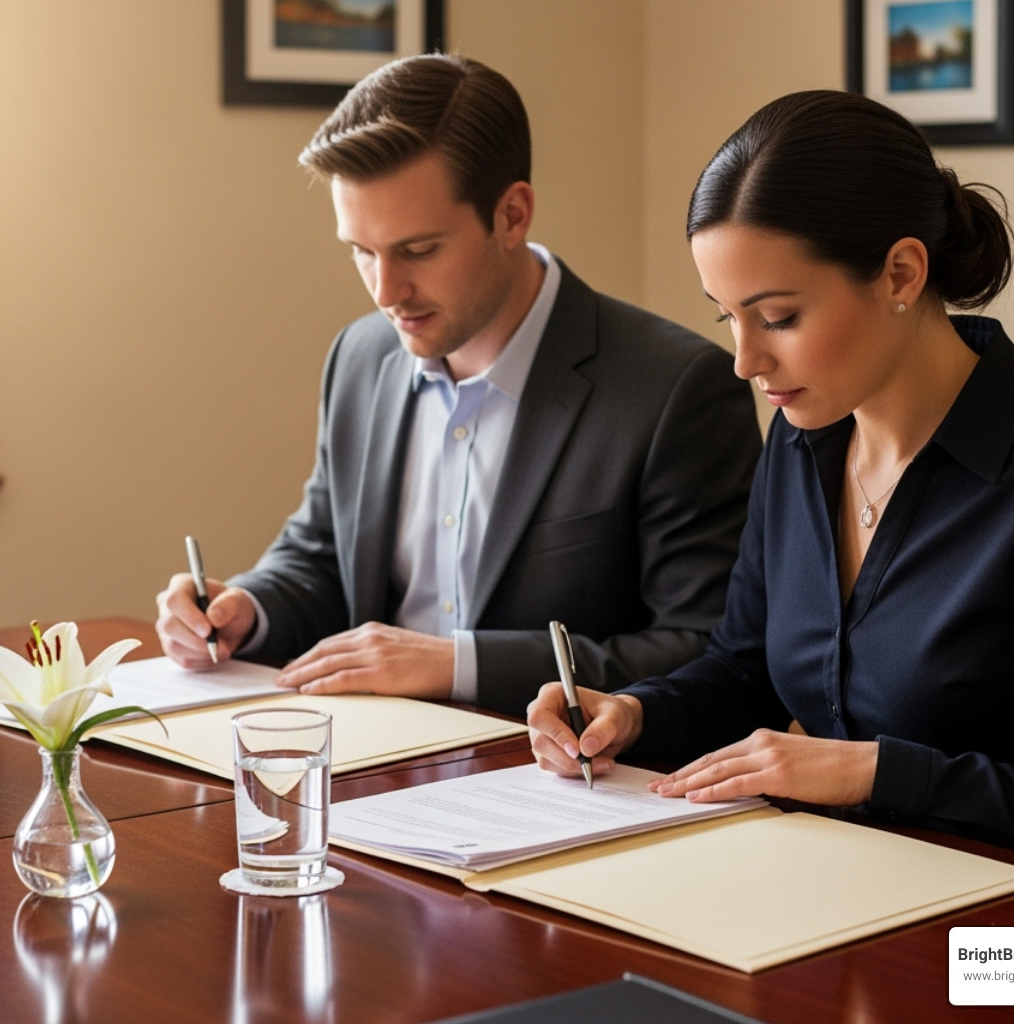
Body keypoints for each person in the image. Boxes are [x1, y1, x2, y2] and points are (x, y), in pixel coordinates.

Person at [527, 90, 1014, 889]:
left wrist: (876, 774)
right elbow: (747, 668)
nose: (745, 363)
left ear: (901, 272)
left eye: (777, 317)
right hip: (837, 903)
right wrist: (636, 714)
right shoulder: (800, 442)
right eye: (727, 320)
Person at [156, 54, 762, 717]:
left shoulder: (675, 389)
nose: (386, 292)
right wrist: (250, 607)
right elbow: (323, 553)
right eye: (361, 251)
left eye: (417, 251)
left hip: (552, 782)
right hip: (374, 764)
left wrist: (458, 665)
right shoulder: (360, 357)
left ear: (512, 214)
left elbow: (706, 650)